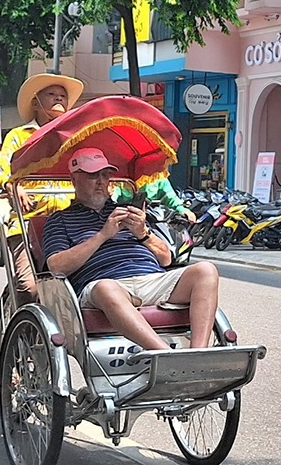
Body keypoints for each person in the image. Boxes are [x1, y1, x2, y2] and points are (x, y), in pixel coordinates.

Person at [43, 147, 219, 350]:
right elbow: (55, 266)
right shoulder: (60, 220)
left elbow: (166, 259)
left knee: (206, 270)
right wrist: (102, 235)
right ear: (74, 180)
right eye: (93, 176)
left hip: (151, 279)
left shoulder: (126, 212)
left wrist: (143, 233)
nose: (101, 182)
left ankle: (198, 353)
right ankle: (163, 354)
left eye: (105, 175)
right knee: (106, 288)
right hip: (104, 286)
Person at [0, 73, 84, 304]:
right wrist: (14, 186)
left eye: (62, 96)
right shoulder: (18, 136)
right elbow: (4, 172)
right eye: (51, 95)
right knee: (30, 289)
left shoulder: (74, 139)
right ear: (36, 103)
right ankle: (19, 327)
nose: (59, 99)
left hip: (69, 222)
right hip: (27, 223)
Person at [114, 176, 197, 223]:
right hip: (126, 219)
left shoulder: (158, 176)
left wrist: (183, 210)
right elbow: (113, 196)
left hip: (154, 220)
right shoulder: (122, 179)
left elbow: (170, 196)